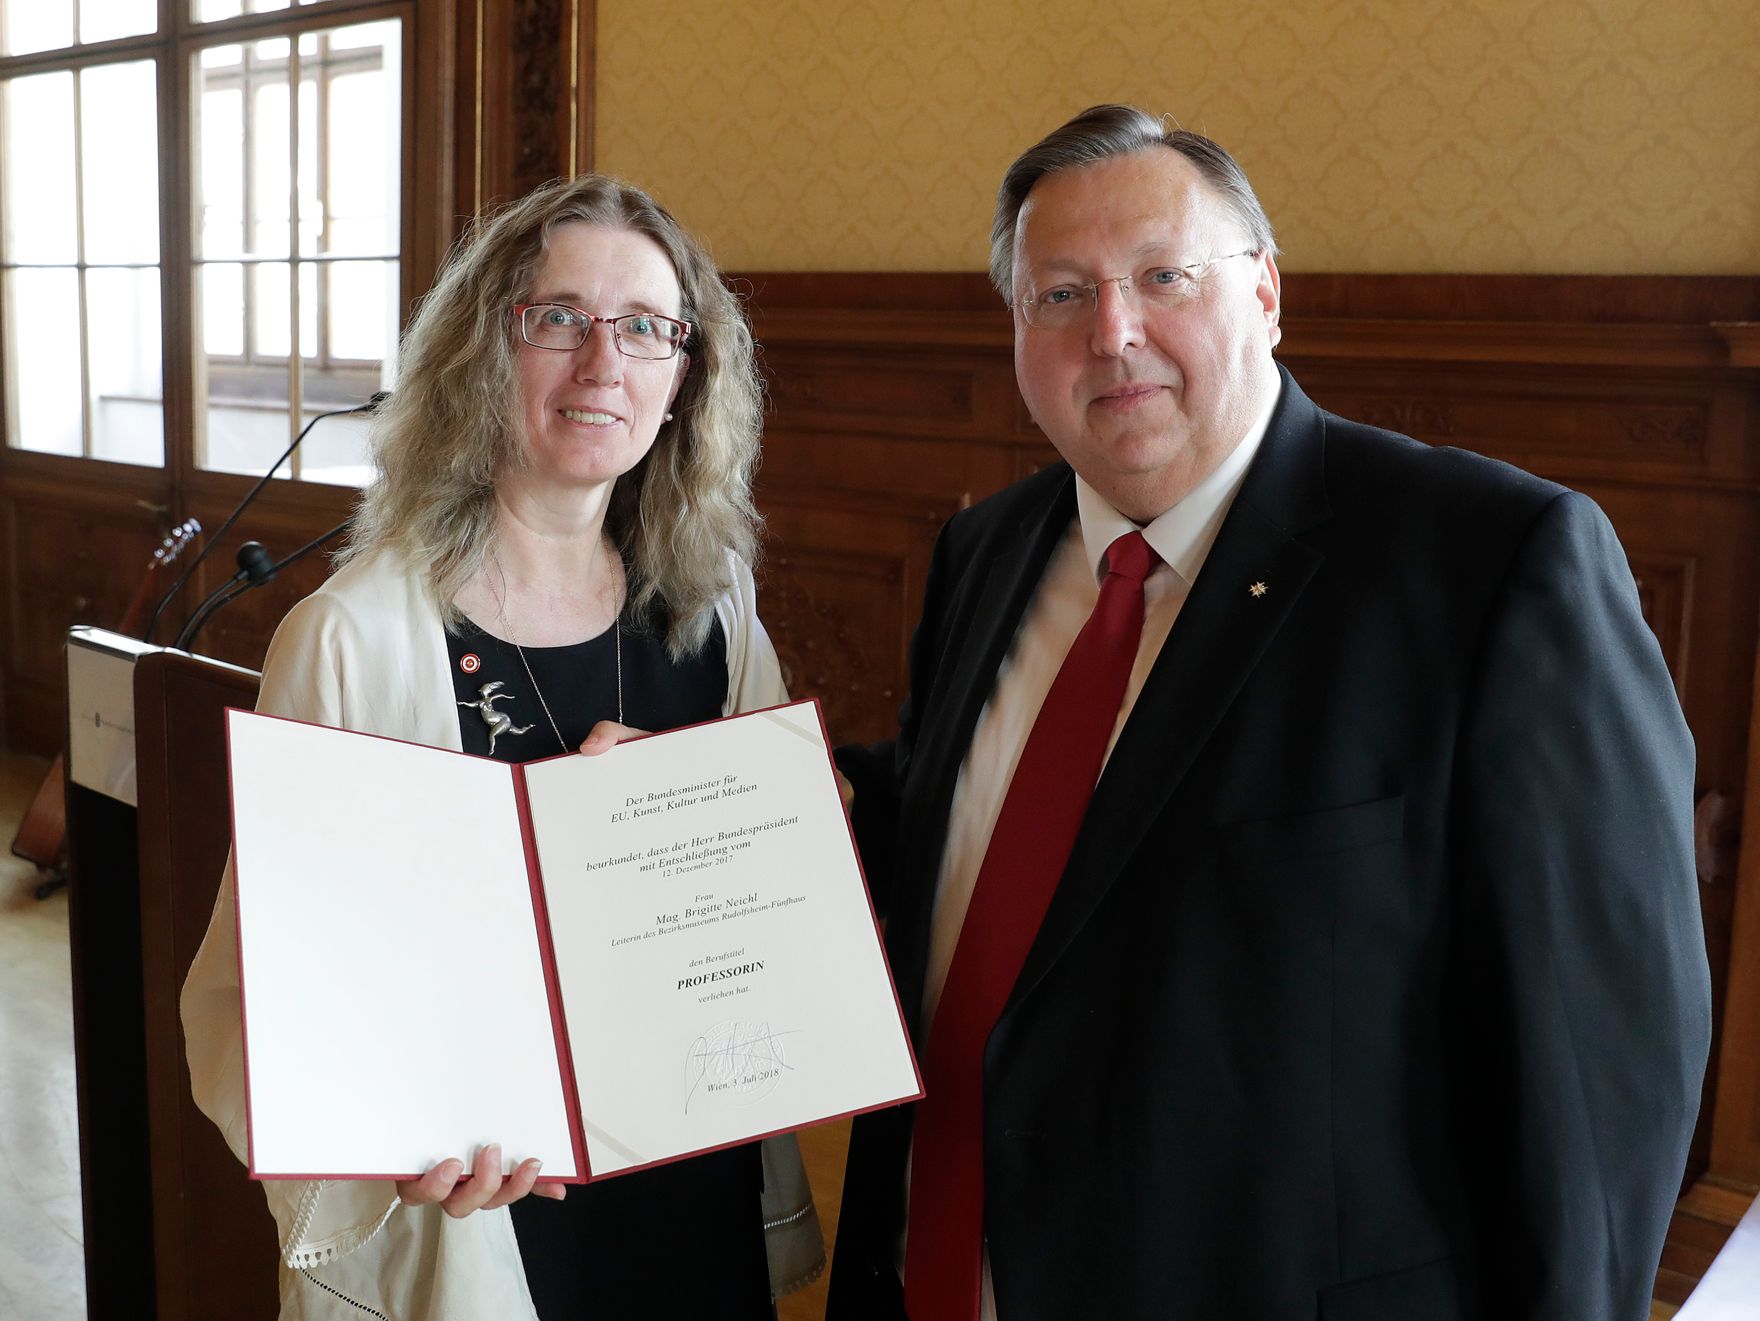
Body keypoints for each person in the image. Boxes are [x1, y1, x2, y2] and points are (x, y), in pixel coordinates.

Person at [827, 104, 1712, 1321]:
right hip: (938, 1269)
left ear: (1265, 293)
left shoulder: (1488, 564)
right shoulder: (986, 548)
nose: (1112, 332)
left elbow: (1598, 1069)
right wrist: (715, 814)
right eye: (1059, 295)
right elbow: (978, 830)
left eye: (1162, 276)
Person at [181, 174, 824, 1320]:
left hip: (684, 1165)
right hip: (482, 1213)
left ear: (684, 375)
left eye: (645, 327)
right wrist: (391, 1136)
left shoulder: (714, 600)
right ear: (483, 352)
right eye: (558, 318)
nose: (602, 363)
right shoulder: (354, 636)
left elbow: (765, 906)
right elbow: (266, 985)